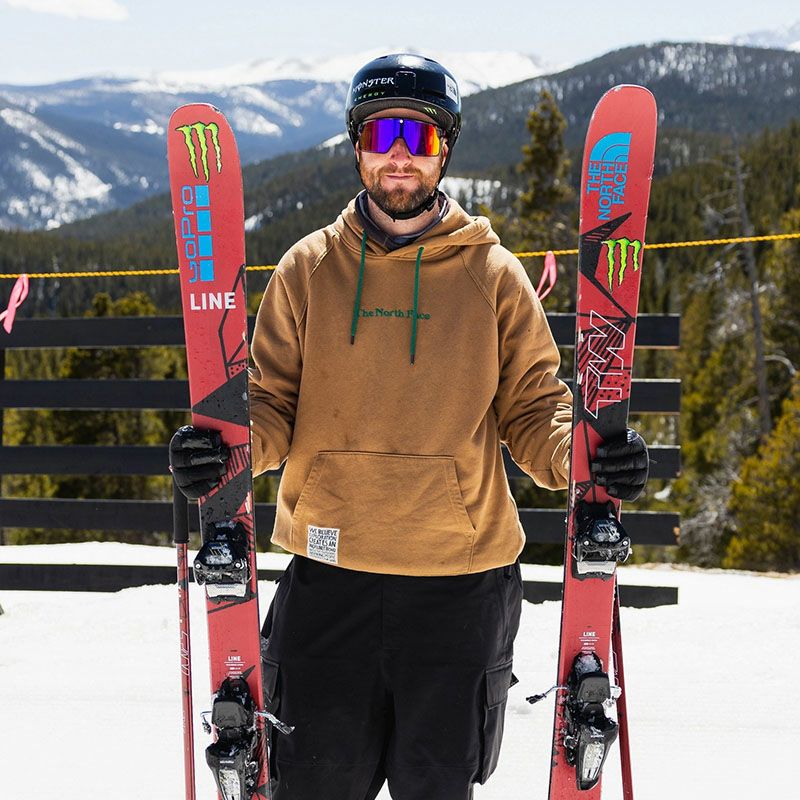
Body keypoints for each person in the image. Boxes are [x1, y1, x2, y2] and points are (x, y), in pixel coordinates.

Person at [170, 53, 649, 800]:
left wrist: (588, 456)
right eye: (381, 134)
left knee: (437, 787)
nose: (399, 154)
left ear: (444, 149)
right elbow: (270, 404)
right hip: (329, 576)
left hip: (459, 586)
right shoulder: (308, 269)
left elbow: (536, 411)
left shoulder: (494, 276)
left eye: (418, 137)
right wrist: (224, 450)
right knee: (313, 786)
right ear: (358, 147)